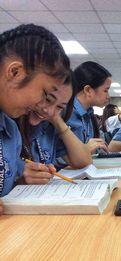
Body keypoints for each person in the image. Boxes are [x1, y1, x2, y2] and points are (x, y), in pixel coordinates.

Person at [0, 24, 70, 214]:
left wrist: (20, 180)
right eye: (44, 94)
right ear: (15, 72)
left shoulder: (10, 131)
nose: (41, 104)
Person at [16, 72, 92, 185]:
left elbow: (83, 161)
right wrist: (18, 180)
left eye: (60, 107)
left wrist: (57, 120)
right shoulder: (9, 124)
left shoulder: (48, 126)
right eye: (47, 99)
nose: (49, 110)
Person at [67, 61, 111, 153]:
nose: (108, 96)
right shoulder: (66, 113)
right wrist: (85, 151)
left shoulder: (88, 114)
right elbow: (58, 157)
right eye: (105, 90)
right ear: (88, 90)